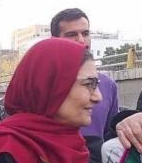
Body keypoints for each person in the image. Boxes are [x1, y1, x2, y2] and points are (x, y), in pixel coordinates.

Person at [50, 8, 120, 153]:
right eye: (72, 34)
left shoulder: (108, 85)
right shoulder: (44, 83)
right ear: (54, 40)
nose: (81, 40)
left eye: (86, 33)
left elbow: (110, 136)